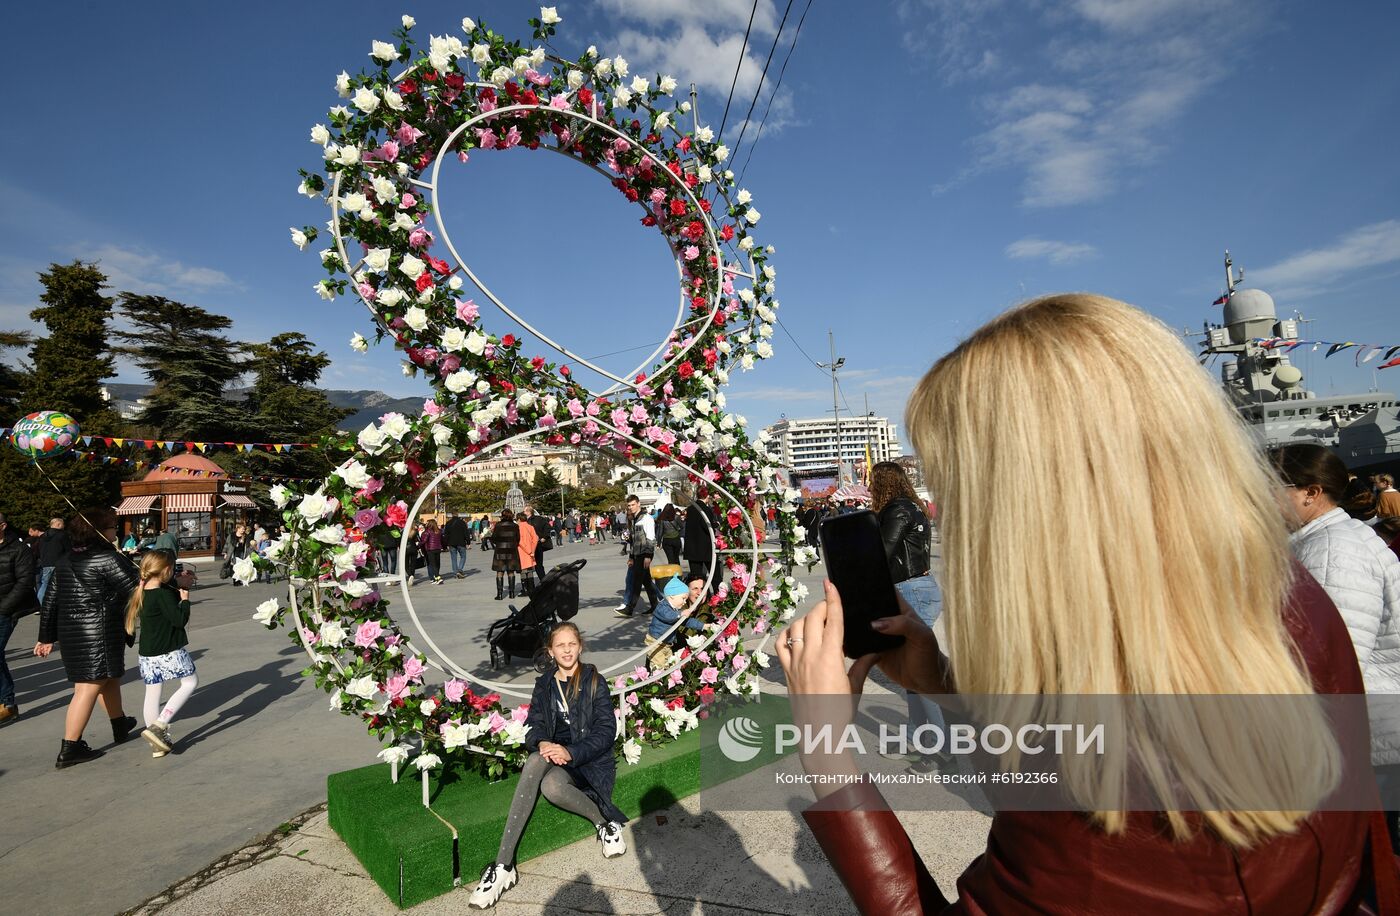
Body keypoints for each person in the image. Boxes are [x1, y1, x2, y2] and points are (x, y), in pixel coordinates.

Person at [780, 294, 1385, 912]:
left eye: (964, 486)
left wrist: (828, 754)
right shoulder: (1292, 596)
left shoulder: (1108, 800)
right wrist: (943, 682)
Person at [1270, 443, 1400, 846]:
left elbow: (1329, 662)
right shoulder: (1338, 537)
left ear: (1311, 492)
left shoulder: (1331, 551)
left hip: (1372, 731)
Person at [469, 622, 627, 908]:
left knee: (547, 776)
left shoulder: (593, 679)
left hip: (589, 761)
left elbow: (606, 730)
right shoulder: (544, 685)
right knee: (547, 778)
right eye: (560, 645)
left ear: (580, 646)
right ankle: (504, 866)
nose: (567, 650)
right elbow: (535, 725)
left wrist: (571, 751)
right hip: (557, 758)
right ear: (551, 651)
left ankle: (605, 823)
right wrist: (542, 742)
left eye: (571, 644)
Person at [34, 508, 141, 768]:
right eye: (112, 527)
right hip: (100, 631)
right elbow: (134, 591)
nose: (116, 531)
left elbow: (50, 602)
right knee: (88, 687)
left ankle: (119, 724)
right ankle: (70, 747)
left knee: (109, 679)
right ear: (100, 532)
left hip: (73, 633)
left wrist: (45, 637)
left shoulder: (64, 560)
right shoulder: (108, 559)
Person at [871, 460, 945, 773]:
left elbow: (881, 552)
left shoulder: (897, 510)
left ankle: (940, 747)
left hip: (911, 590)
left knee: (918, 676)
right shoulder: (913, 507)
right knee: (913, 676)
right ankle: (919, 738)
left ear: (882, 483)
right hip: (919, 587)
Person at [124, 550, 198, 758]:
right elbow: (178, 620)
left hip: (147, 653)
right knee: (190, 683)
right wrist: (185, 600)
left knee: (152, 693)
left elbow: (164, 593)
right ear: (165, 570)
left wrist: (178, 584)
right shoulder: (163, 594)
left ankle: (157, 744)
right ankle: (161, 724)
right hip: (169, 650)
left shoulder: (142, 591)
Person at [1, 511, 41, 726]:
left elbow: (25, 582)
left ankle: (7, 703)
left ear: (3, 526)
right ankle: (7, 703)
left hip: (7, 610)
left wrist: (4, 609)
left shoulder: (18, 549)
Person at [645, 576, 705, 669]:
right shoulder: (663, 607)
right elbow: (668, 616)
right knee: (658, 664)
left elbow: (687, 621)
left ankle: (664, 677)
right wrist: (680, 614)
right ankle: (656, 679)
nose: (684, 602)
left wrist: (703, 626)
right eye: (683, 598)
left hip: (666, 644)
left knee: (669, 663)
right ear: (672, 596)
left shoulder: (675, 610)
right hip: (656, 642)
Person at [614, 495, 658, 619]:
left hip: (645, 554)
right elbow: (634, 541)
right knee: (647, 582)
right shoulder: (635, 519)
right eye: (629, 505)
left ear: (638, 504)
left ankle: (630, 608)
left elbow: (651, 538)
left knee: (637, 581)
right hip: (637, 554)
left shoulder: (647, 519)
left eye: (633, 504)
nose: (631, 507)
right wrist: (631, 557)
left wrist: (648, 556)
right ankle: (656, 605)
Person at [683, 492, 717, 584]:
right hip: (705, 547)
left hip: (692, 547)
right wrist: (715, 525)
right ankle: (715, 593)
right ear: (707, 496)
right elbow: (707, 527)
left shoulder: (690, 509)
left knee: (696, 576)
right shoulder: (706, 509)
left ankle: (698, 594)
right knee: (714, 573)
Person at [36, 516, 69, 604]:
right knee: (62, 586)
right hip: (60, 563)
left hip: (46, 563)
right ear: (58, 524)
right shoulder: (62, 535)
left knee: (45, 585)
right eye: (63, 524)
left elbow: (38, 550)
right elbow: (68, 550)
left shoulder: (42, 537)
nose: (64, 526)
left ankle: (43, 604)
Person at [491, 510, 521, 600]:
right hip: (512, 550)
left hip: (500, 550)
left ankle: (500, 594)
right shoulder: (515, 526)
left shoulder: (498, 525)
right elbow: (518, 538)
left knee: (500, 572)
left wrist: (499, 543)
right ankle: (512, 593)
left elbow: (494, 538)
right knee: (511, 571)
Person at [522, 505, 551, 580]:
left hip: (537, 545)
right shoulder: (523, 521)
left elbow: (547, 527)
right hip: (527, 546)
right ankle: (529, 585)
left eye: (524, 511)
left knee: (538, 564)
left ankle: (543, 581)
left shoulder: (539, 519)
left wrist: (544, 537)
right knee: (528, 565)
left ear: (529, 512)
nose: (523, 512)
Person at [516, 511, 539, 596]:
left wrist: (528, 550)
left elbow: (520, 541)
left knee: (523, 571)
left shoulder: (518, 527)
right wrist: (532, 550)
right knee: (530, 570)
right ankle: (531, 589)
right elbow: (535, 539)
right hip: (531, 552)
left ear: (519, 519)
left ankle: (525, 589)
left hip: (522, 551)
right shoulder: (530, 527)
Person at [444, 512, 470, 579]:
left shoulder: (448, 523)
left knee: (453, 558)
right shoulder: (462, 522)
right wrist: (468, 542)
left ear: (452, 515)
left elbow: (446, 534)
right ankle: (460, 569)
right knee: (463, 556)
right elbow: (466, 532)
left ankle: (455, 573)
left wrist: (445, 544)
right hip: (461, 542)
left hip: (451, 543)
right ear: (458, 514)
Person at [419, 518, 445, 586]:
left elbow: (424, 541)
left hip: (430, 549)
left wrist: (418, 544)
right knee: (437, 564)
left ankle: (438, 578)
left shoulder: (428, 531)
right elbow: (442, 540)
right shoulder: (439, 531)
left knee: (433, 564)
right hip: (438, 549)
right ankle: (436, 577)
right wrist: (444, 547)